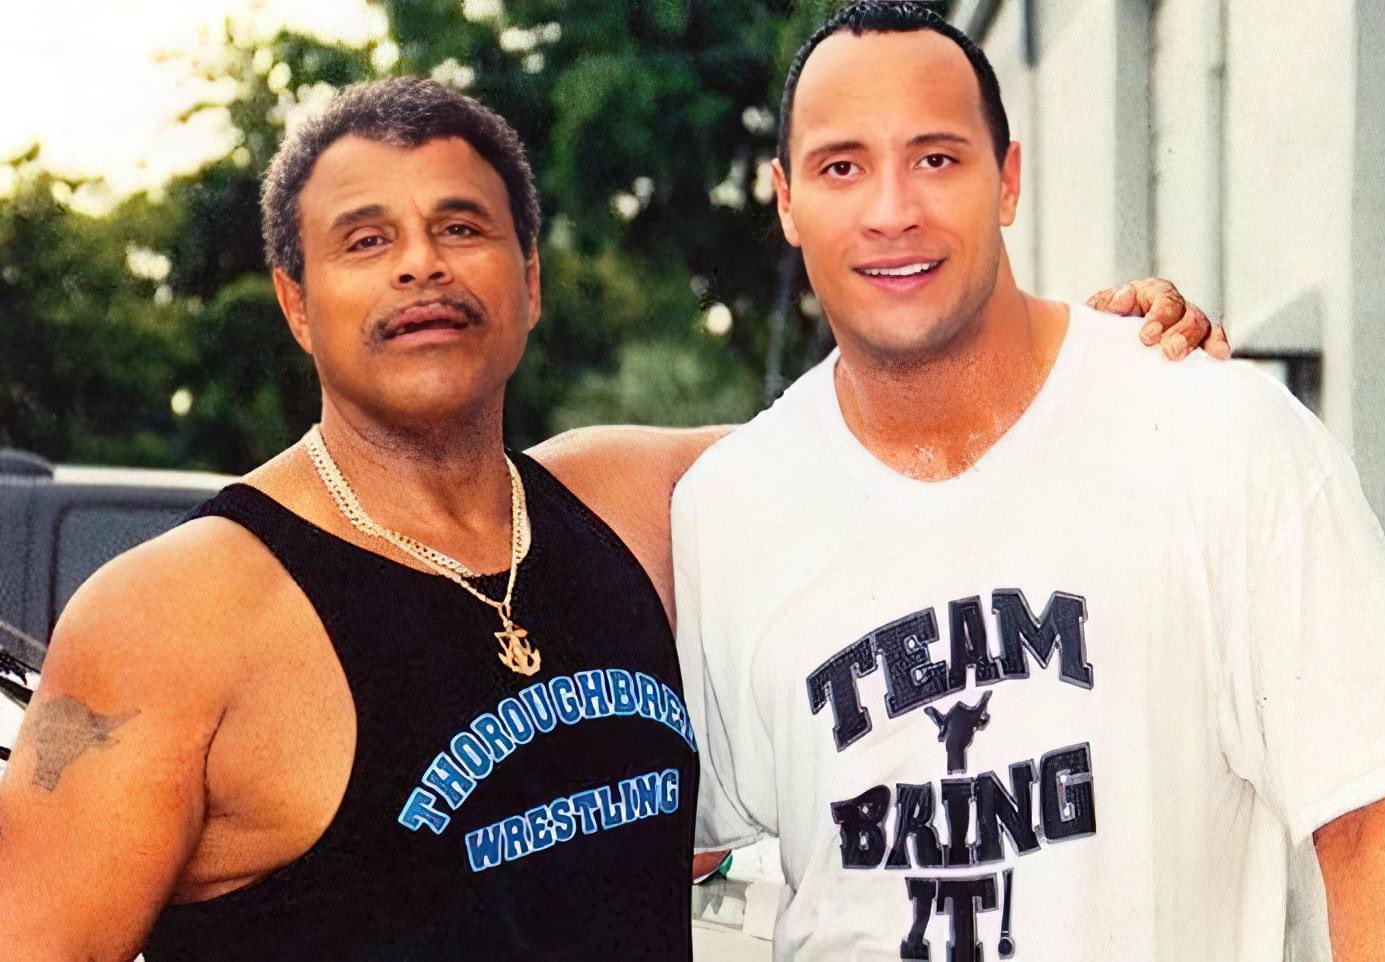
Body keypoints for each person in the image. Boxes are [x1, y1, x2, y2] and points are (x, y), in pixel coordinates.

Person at [0, 75, 1215, 961]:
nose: (422, 264)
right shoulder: (177, 617)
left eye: (462, 227)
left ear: (529, 283)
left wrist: (1106, 349)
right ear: (296, 302)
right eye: (366, 241)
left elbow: (923, 433)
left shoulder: (637, 504)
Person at [672, 5, 1385, 962]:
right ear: (786, 200)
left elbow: (1383, 819)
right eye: (842, 166)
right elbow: (671, 853)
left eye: (938, 158)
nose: (891, 209)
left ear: (1009, 178)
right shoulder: (724, 508)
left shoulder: (1212, 432)